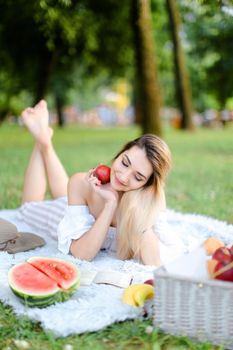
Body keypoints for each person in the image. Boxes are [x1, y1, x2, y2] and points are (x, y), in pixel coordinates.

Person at [18, 100, 185, 266]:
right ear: (120, 153)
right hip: (61, 215)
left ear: (148, 184)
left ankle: (44, 140)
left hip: (76, 205)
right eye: (125, 162)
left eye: (138, 177)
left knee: (64, 194)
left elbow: (156, 260)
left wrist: (115, 203)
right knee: (28, 208)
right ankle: (42, 140)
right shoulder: (83, 183)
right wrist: (109, 206)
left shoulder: (148, 200)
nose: (124, 177)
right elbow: (81, 254)